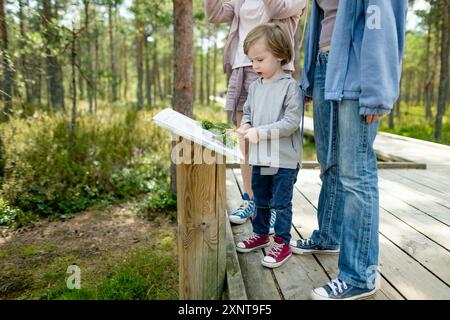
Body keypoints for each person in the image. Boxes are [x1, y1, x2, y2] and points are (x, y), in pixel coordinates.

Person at [291, 0, 408, 299]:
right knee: (329, 161)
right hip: (324, 66)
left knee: (356, 173)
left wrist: (377, 90)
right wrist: (308, 75)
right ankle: (330, 236)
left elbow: (383, 21)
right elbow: (319, 22)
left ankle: (360, 274)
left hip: (357, 69)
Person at [205, 0, 306, 233]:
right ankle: (251, 200)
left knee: (270, 141)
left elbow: (276, 9)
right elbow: (215, 14)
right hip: (242, 70)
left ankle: (269, 206)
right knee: (246, 141)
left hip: (276, 71)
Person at [234, 23, 303, 269]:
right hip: (261, 158)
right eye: (252, 61)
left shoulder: (290, 87)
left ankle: (282, 243)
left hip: (284, 160)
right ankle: (261, 234)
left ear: (280, 54)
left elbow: (291, 123)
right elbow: (249, 113)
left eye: (260, 59)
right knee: (261, 198)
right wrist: (246, 125)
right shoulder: (254, 87)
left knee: (281, 204)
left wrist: (259, 132)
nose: (255, 66)